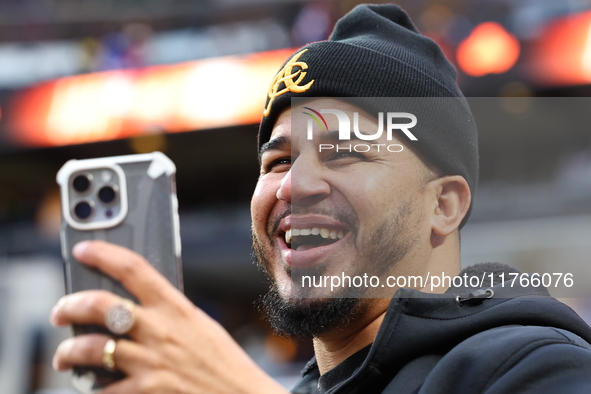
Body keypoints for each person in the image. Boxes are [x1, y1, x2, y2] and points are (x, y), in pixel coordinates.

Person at [50, 4, 591, 393]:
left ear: (443, 205)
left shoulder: (540, 367)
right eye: (278, 161)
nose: (293, 185)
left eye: (344, 153)